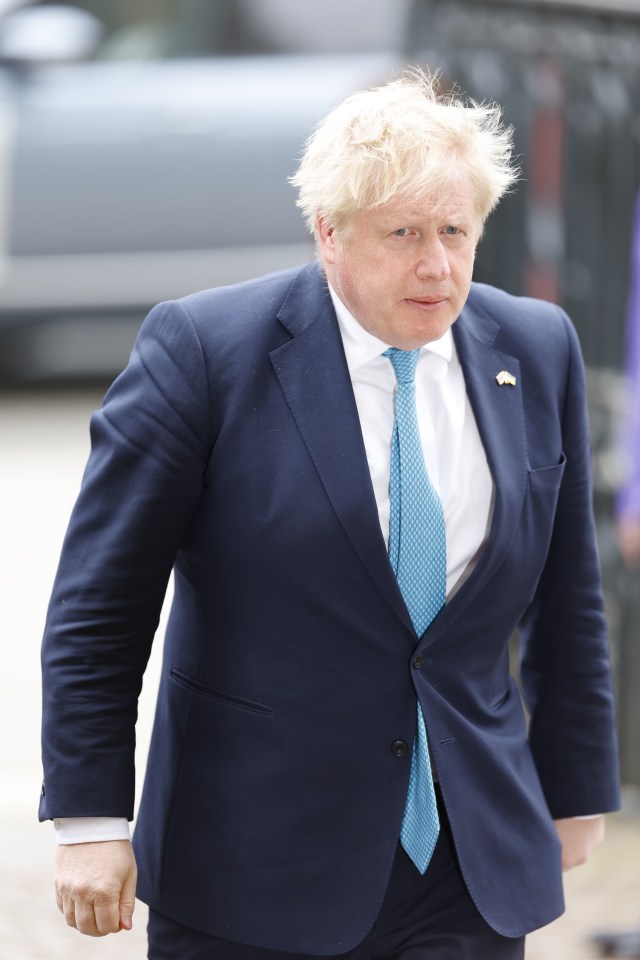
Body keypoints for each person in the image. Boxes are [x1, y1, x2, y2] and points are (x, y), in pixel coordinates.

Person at [41, 70, 620, 959]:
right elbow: (100, 606)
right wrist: (89, 818)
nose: (438, 265)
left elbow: (570, 593)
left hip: (465, 862)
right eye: (403, 234)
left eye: (457, 232)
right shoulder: (204, 354)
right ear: (329, 233)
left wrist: (576, 785)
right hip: (253, 862)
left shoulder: (536, 350)